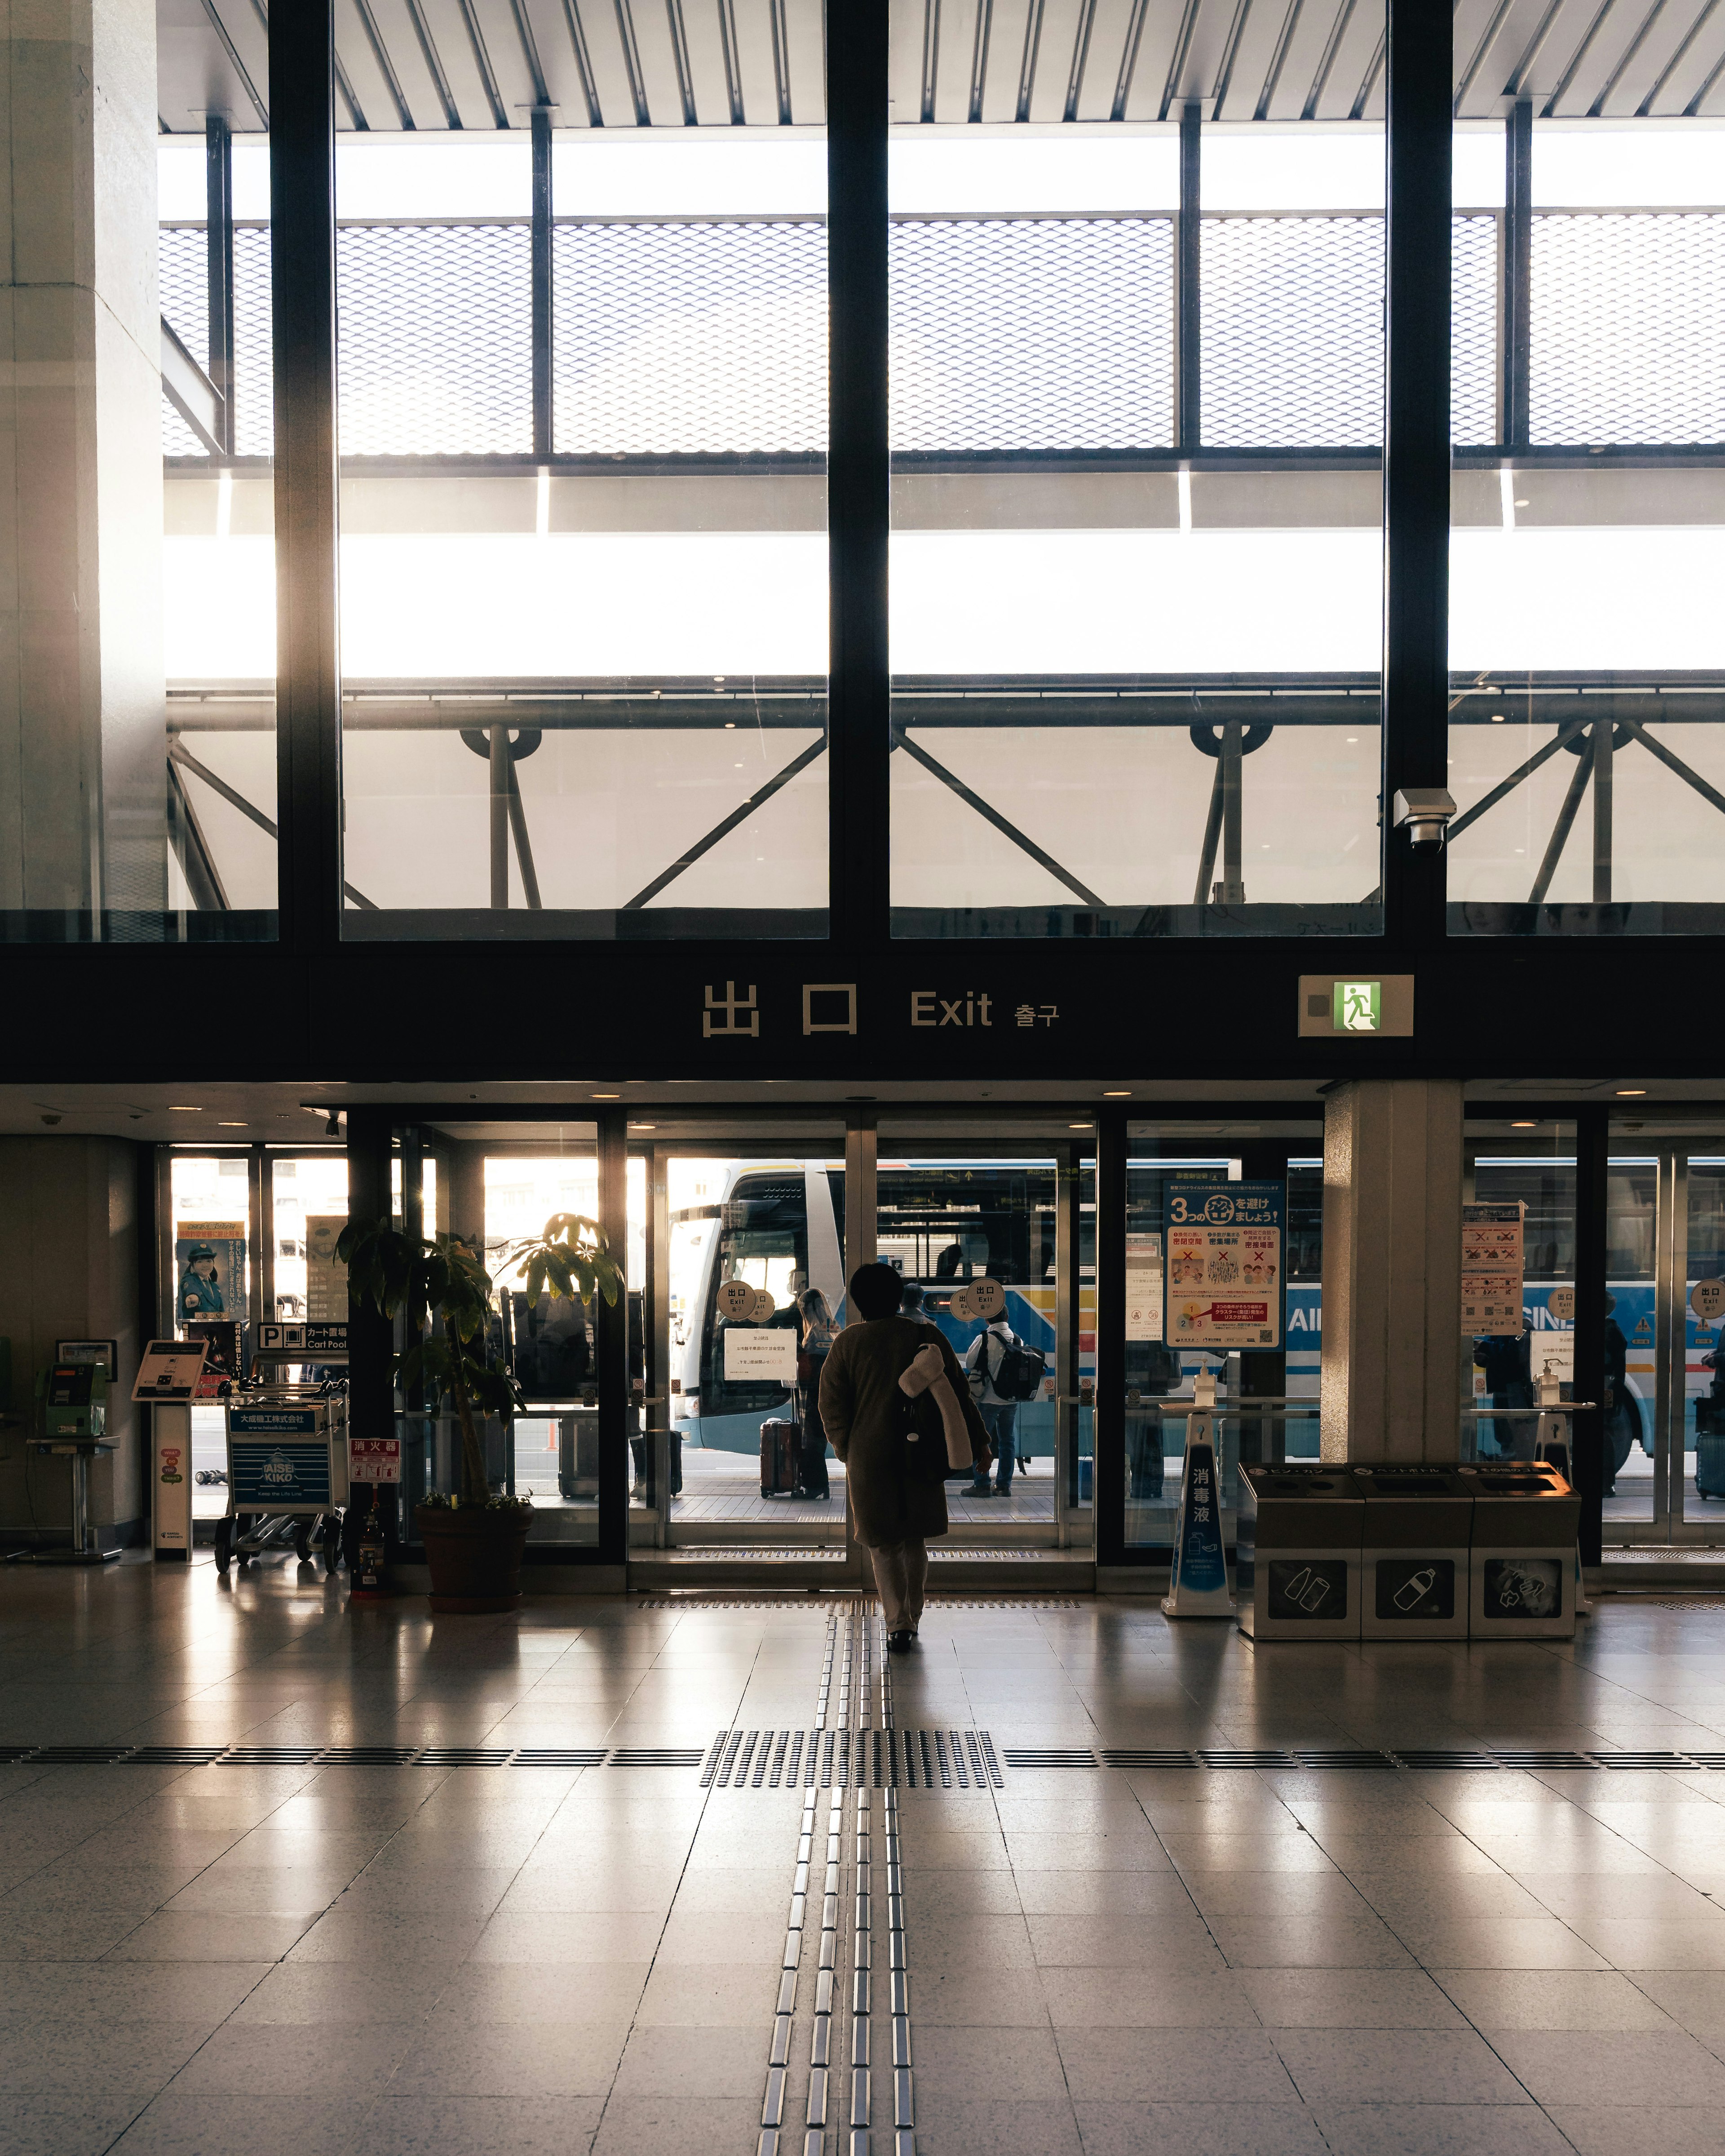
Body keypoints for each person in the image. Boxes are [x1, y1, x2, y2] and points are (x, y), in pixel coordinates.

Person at [818, 1261, 989, 1651]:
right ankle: (912, 1617)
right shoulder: (925, 1335)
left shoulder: (847, 1343)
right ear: (898, 1298)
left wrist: (847, 1447)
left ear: (859, 1302)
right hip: (922, 1452)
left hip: (869, 1457)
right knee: (914, 1540)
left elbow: (830, 1404)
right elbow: (960, 1394)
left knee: (883, 1544)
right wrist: (980, 1441)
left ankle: (897, 1624)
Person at [963, 1309, 1022, 1498]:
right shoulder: (1018, 1340)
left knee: (980, 1440)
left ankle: (982, 1484)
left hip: (987, 1399)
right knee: (1007, 1442)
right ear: (1007, 1317)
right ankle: (1004, 1486)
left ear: (987, 1319)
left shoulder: (984, 1339)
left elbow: (970, 1363)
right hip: (1010, 1400)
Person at [796, 1286, 837, 1500]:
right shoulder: (831, 1331)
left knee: (811, 1443)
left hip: (812, 1396)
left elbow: (810, 1368)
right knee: (816, 1442)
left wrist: (797, 1351)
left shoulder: (813, 1336)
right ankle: (821, 1486)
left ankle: (815, 1487)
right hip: (824, 1395)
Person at [179, 1243, 225, 1317]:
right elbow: (191, 1288)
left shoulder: (216, 1287)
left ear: (213, 1263)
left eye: (209, 1261)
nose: (205, 1265)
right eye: (200, 1262)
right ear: (193, 1265)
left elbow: (222, 1313)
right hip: (195, 1327)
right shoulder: (189, 1280)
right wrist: (194, 1297)